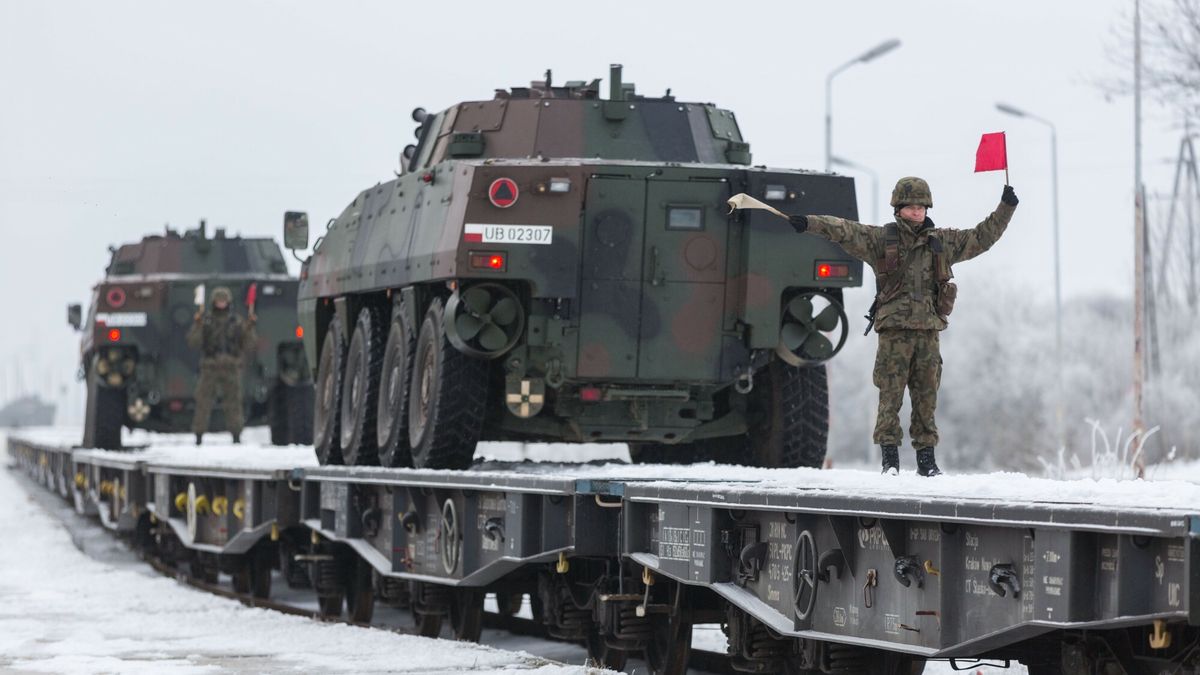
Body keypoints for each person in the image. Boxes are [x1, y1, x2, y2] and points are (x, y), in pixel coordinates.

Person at [790, 177, 1018, 476]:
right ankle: (890, 461)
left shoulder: (942, 242)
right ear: (898, 209)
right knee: (890, 396)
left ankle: (927, 461)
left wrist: (1006, 208)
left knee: (927, 398)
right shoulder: (881, 240)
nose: (917, 211)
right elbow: (843, 230)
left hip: (928, 333)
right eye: (911, 207)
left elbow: (982, 237)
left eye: (922, 207)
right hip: (894, 333)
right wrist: (808, 223)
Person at [187, 286, 257, 444]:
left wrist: (250, 328)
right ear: (213, 302)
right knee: (203, 402)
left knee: (234, 403)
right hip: (210, 367)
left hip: (231, 367)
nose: (221, 304)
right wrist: (197, 325)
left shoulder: (237, 322)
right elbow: (193, 342)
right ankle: (198, 434)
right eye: (218, 301)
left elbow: (249, 344)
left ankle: (236, 434)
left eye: (223, 301)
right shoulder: (206, 321)